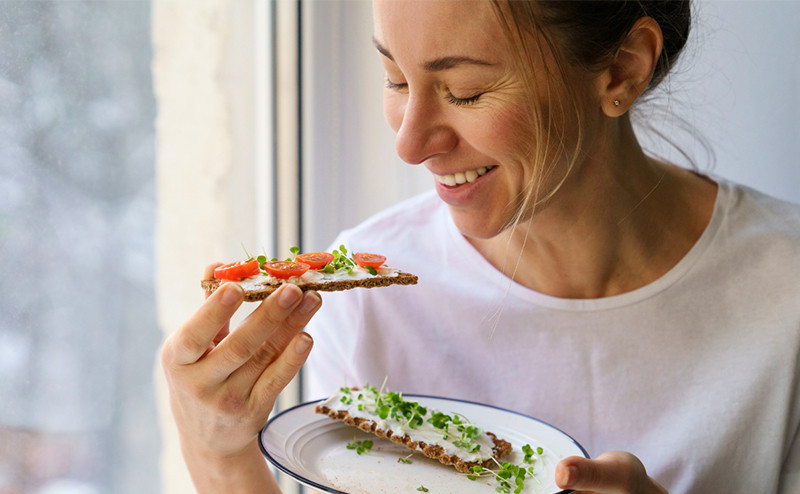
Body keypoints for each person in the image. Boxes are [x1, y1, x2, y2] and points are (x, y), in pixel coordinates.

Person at [160, 1, 800, 493]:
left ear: (622, 69)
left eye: (464, 91)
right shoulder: (371, 304)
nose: (409, 146)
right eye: (394, 79)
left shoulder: (785, 290)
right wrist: (218, 455)